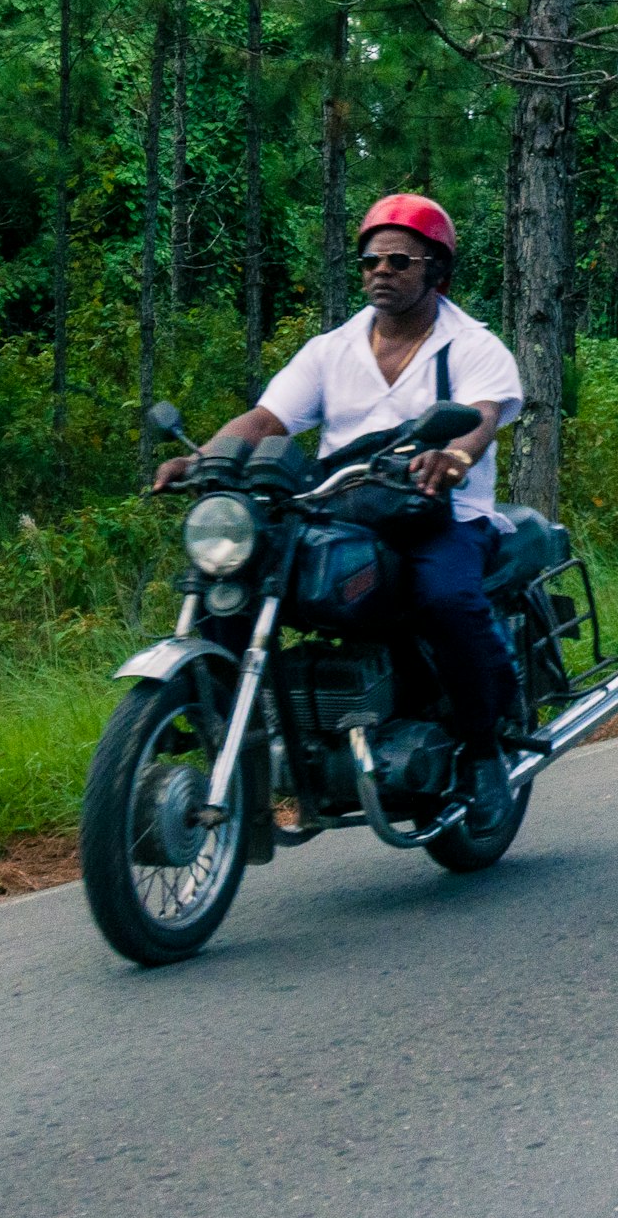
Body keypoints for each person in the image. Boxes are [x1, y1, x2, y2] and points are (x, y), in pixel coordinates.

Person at [154, 194, 531, 812]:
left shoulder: (473, 347)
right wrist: (207, 460)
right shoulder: (331, 349)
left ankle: (485, 748)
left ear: (436, 271)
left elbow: (483, 417)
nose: (381, 271)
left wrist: (453, 457)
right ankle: (226, 726)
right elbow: (267, 418)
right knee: (235, 585)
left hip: (438, 514)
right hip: (339, 512)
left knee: (446, 599)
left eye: (400, 261)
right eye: (370, 261)